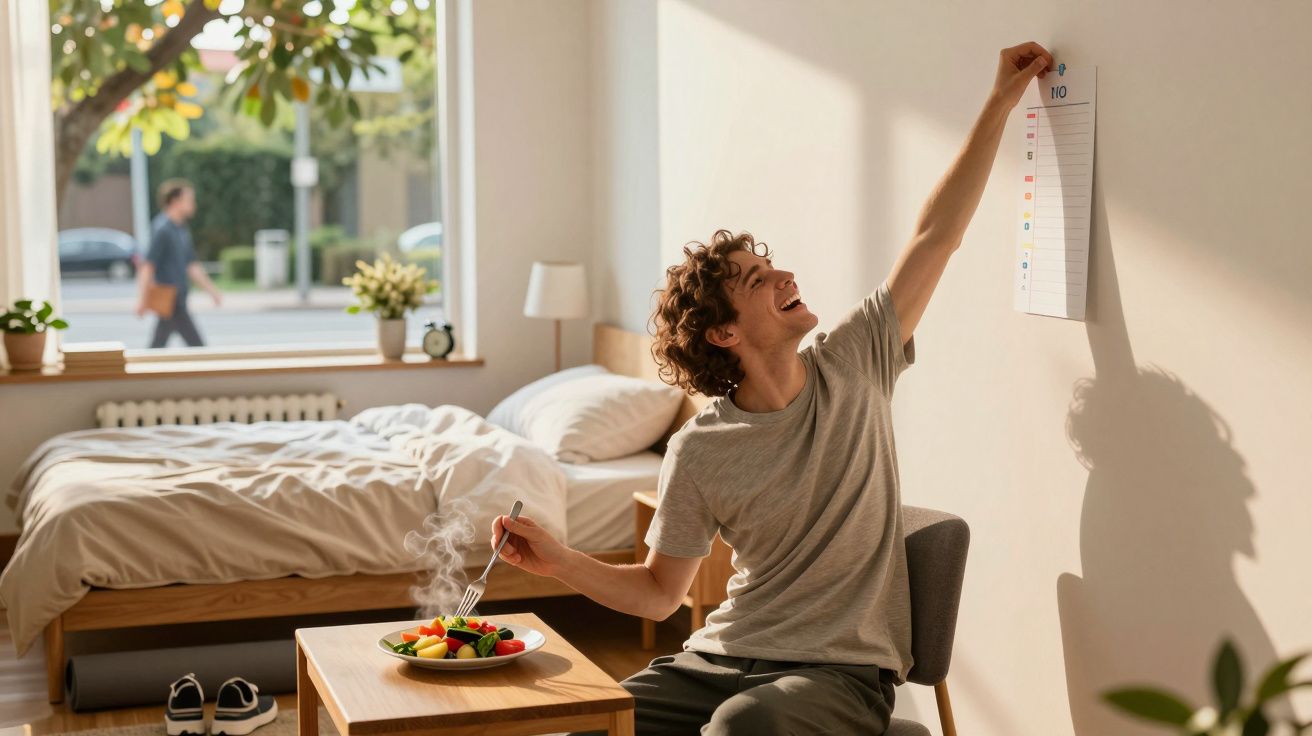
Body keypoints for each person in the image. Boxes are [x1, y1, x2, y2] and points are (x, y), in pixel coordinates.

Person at [489, 42, 1054, 735]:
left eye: (773, 266)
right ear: (723, 334)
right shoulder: (699, 449)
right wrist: (559, 561)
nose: (786, 278)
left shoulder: (855, 360)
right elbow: (662, 594)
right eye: (760, 281)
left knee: (745, 727)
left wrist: (1000, 101)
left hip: (836, 674)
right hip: (716, 660)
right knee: (596, 724)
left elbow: (937, 236)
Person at [135, 179, 222, 347]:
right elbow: (147, 266)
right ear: (175, 201)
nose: (193, 204)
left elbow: (192, 265)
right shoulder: (162, 229)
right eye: (189, 200)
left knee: (158, 346)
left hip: (177, 299)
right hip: (170, 299)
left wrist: (212, 291)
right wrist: (142, 300)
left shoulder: (180, 229)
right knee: (197, 348)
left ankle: (146, 372)